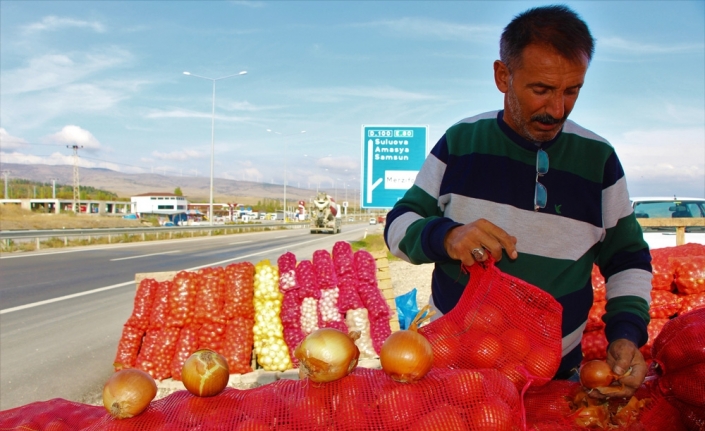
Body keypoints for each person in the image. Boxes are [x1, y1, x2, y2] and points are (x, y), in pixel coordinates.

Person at [383, 5, 651, 398]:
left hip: (556, 379)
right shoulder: (461, 143)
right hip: (456, 375)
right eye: (541, 90)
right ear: (502, 76)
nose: (556, 110)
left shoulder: (599, 160)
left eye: (572, 90)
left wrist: (627, 333)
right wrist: (447, 236)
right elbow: (397, 227)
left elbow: (627, 257)